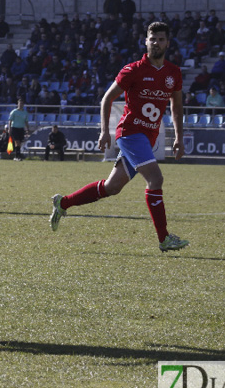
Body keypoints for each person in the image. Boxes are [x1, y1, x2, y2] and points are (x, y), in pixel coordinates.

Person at [50, 21, 188, 253]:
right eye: (152, 39)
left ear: (168, 43)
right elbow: (107, 98)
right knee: (156, 180)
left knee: (112, 187)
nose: (156, 43)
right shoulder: (133, 69)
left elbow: (176, 107)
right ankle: (164, 239)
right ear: (146, 41)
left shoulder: (173, 73)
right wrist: (104, 131)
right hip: (131, 134)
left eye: (161, 39)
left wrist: (179, 137)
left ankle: (62, 203)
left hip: (147, 138)